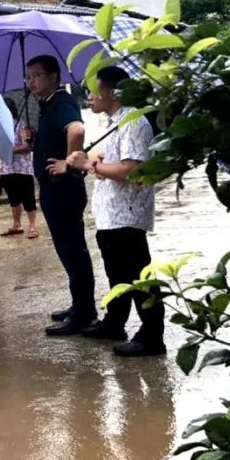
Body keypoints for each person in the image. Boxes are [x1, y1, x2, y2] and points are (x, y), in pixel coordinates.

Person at [67, 66, 164, 357]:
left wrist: (90, 166)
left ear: (111, 91)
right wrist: (90, 162)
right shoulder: (114, 121)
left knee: (137, 276)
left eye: (93, 90)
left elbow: (132, 169)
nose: (89, 97)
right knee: (117, 274)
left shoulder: (133, 122)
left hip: (127, 212)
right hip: (111, 213)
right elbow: (110, 162)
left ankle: (151, 336)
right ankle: (114, 322)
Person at [23, 54, 96, 336]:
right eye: (28, 77)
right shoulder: (47, 105)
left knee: (73, 249)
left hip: (63, 188)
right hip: (53, 188)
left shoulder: (62, 101)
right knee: (67, 249)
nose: (31, 81)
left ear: (54, 76)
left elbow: (77, 129)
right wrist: (35, 141)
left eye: (37, 75)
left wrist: (68, 162)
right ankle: (80, 305)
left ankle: (84, 313)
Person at [0, 97, 39, 240]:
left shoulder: (22, 127)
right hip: (6, 169)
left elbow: (27, 147)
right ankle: (17, 224)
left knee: (28, 198)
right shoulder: (1, 128)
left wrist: (10, 150)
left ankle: (33, 226)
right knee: (13, 199)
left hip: (22, 169)